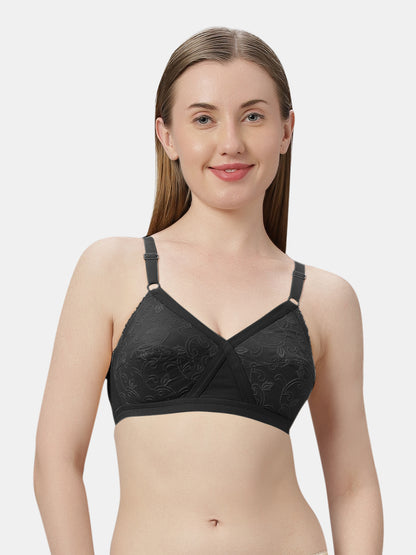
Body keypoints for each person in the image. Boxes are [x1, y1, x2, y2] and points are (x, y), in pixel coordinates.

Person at [33, 26, 384, 554]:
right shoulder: (112, 269)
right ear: (167, 136)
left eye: (253, 116)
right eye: (203, 118)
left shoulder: (326, 299)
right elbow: (56, 460)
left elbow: (354, 485)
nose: (231, 143)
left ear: (286, 130)